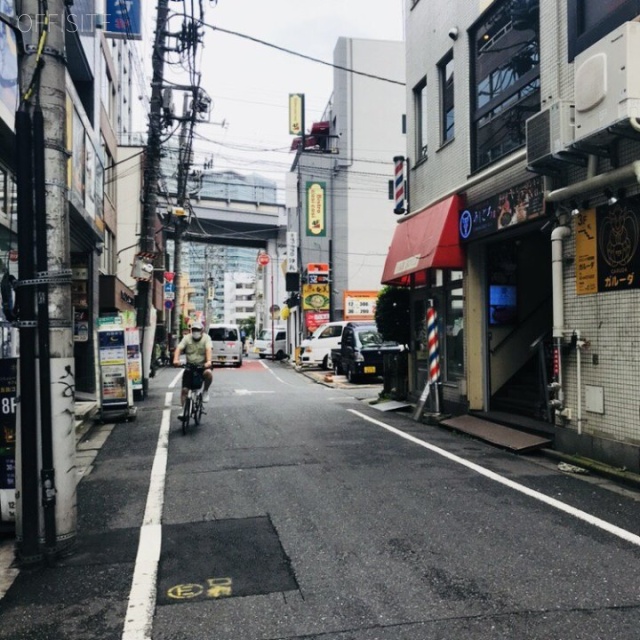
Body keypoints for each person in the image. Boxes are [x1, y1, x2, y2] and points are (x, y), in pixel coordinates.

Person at [172, 321, 213, 416]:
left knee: (208, 373)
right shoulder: (187, 338)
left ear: (202, 331)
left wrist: (209, 361)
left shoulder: (207, 338)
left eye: (197, 330)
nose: (195, 332)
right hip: (189, 366)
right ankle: (183, 411)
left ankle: (205, 391)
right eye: (194, 330)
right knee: (184, 390)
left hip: (202, 366)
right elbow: (179, 348)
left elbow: (208, 349)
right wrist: (175, 360)